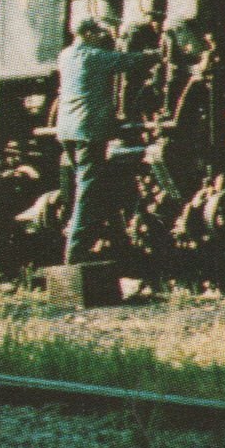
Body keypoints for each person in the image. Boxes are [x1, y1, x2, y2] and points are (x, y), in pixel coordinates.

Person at [54, 18, 153, 264]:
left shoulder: (65, 55)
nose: (101, 37)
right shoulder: (94, 56)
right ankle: (74, 256)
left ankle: (115, 242)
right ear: (88, 33)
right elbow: (130, 61)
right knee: (87, 192)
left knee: (92, 187)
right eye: (97, 33)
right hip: (89, 131)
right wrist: (158, 53)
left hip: (66, 129)